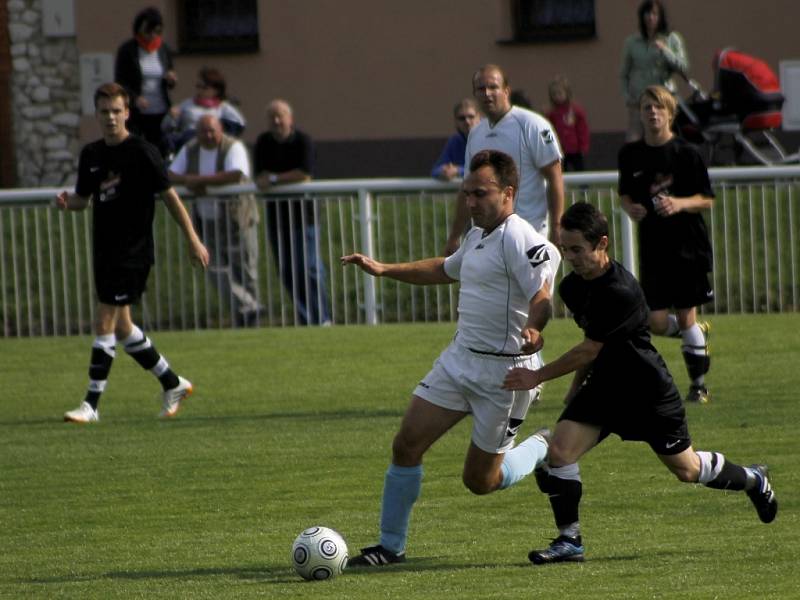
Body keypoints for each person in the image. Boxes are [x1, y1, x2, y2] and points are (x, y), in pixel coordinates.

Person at [503, 202, 777, 565]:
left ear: (602, 244)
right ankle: (570, 541)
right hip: (604, 388)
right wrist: (577, 389)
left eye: (576, 249)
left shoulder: (621, 290)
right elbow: (593, 345)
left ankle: (753, 479)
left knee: (687, 469)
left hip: (646, 391)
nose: (569, 257)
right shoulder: (573, 288)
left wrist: (538, 375)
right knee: (561, 453)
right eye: (564, 248)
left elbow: (589, 348)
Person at [343, 149, 561, 567]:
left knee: (480, 481)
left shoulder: (522, 238)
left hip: (507, 375)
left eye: (480, 193)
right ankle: (390, 546)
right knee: (406, 444)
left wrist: (535, 328)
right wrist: (384, 269)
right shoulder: (479, 233)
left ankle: (542, 447)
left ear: (509, 193)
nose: (471, 203)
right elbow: (445, 269)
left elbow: (543, 296)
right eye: (466, 194)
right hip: (460, 360)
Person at [57, 83, 209, 423]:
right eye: (104, 111)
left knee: (104, 320)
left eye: (116, 111)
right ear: (96, 114)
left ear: (127, 112)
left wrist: (193, 239)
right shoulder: (92, 155)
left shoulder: (142, 151)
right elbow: (84, 199)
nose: (110, 118)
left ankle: (91, 405)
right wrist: (70, 203)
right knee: (123, 327)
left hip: (134, 251)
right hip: (104, 250)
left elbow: (170, 196)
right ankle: (173, 383)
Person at [618, 85, 713, 404]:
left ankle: (698, 385)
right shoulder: (630, 154)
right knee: (655, 322)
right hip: (653, 247)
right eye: (647, 107)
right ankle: (696, 336)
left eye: (659, 107)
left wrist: (679, 203)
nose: (652, 112)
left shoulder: (687, 152)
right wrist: (629, 207)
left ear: (670, 113)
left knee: (686, 315)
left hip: (688, 247)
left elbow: (706, 199)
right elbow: (625, 194)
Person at [444, 64, 564, 255]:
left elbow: (555, 177)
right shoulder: (476, 133)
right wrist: (454, 236)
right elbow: (468, 189)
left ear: (506, 90)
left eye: (493, 87)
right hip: (489, 240)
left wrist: (557, 226)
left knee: (535, 287)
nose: (487, 93)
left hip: (530, 236)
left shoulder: (532, 125)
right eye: (481, 89)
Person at [168, 115, 262, 326]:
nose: (208, 135)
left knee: (246, 271)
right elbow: (171, 174)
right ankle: (249, 307)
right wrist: (188, 181)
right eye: (203, 131)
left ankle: (251, 323)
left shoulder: (233, 147)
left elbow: (235, 174)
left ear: (220, 130)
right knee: (215, 270)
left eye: (212, 130)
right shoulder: (191, 148)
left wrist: (199, 181)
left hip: (238, 221)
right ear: (197, 132)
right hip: (206, 222)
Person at [253, 99, 331, 326]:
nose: (276, 121)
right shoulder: (263, 142)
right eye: (272, 117)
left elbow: (305, 173)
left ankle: (323, 318)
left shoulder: (303, 141)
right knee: (287, 270)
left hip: (304, 216)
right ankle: (306, 319)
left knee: (309, 268)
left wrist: (275, 179)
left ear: (290, 119)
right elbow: (260, 176)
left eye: (281, 116)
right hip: (277, 216)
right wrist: (266, 179)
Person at [620, 0, 689, 142]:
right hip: (639, 98)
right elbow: (624, 73)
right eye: (647, 13)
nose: (650, 17)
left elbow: (683, 68)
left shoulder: (672, 39)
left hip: (664, 98)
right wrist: (627, 96)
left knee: (664, 139)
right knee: (634, 139)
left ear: (660, 16)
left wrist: (665, 51)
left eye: (654, 14)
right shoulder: (632, 42)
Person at [114, 6, 177, 157]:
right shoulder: (127, 50)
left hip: (160, 109)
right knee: (137, 149)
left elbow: (170, 82)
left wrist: (171, 79)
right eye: (148, 31)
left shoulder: (163, 49)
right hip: (138, 113)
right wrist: (135, 98)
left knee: (160, 149)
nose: (151, 36)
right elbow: (120, 82)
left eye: (156, 32)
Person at [162, 66, 247, 156]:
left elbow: (240, 124)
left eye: (204, 87)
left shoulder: (222, 107)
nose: (200, 90)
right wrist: (172, 117)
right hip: (188, 143)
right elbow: (166, 127)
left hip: (211, 144)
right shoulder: (187, 104)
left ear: (216, 90)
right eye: (198, 86)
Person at [546, 75, 590, 172]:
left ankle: (584, 187)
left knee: (580, 169)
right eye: (554, 94)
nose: (557, 97)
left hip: (575, 149)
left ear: (567, 93)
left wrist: (583, 146)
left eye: (560, 93)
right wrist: (549, 146)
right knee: (560, 171)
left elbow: (582, 129)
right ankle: (562, 187)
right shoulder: (551, 114)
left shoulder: (576, 111)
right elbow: (546, 130)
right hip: (559, 149)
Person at [430, 99, 480, 181]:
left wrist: (457, 170)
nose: (467, 121)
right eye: (462, 118)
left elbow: (485, 171)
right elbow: (435, 170)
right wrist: (444, 172)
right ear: (456, 122)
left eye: (471, 117)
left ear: (479, 118)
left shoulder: (488, 137)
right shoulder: (455, 141)